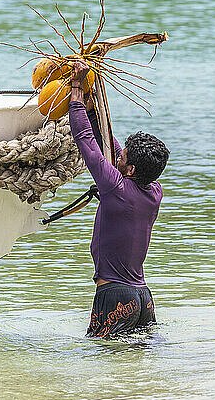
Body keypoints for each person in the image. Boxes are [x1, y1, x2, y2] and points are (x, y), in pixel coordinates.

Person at [68, 59, 169, 339]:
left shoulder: (116, 188)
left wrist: (76, 92)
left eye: (123, 157)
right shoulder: (154, 191)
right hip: (142, 299)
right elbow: (108, 145)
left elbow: (86, 142)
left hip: (114, 296)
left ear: (131, 169)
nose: (118, 155)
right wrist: (94, 110)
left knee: (101, 365)